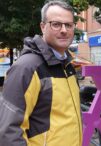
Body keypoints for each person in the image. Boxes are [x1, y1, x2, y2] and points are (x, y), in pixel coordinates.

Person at [0, 1, 82, 146]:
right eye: (56, 24)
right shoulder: (26, 68)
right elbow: (9, 132)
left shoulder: (68, 65)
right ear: (43, 27)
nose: (64, 30)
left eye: (68, 25)